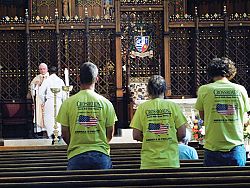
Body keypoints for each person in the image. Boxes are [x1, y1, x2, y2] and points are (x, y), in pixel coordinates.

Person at [56, 62, 117, 170]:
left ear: (79, 78)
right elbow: (110, 133)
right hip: (101, 155)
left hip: (76, 155)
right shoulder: (106, 103)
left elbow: (65, 134)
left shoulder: (68, 103)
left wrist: (76, 144)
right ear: (97, 79)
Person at [195, 57, 250, 167]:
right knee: (237, 183)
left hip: (212, 147)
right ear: (231, 72)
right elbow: (244, 118)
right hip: (235, 146)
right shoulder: (240, 89)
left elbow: (203, 117)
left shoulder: (204, 90)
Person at [130, 75, 187, 169]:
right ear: (164, 89)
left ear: (148, 90)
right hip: (170, 161)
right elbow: (182, 133)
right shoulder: (173, 106)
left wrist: (150, 138)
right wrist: (169, 139)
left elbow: (136, 135)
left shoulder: (142, 108)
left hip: (149, 162)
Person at [39, 66, 65, 139]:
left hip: (50, 102)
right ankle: (58, 135)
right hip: (59, 101)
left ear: (49, 72)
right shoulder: (60, 80)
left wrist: (44, 100)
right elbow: (64, 94)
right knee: (58, 118)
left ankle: (52, 135)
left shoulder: (47, 80)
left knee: (49, 118)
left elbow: (40, 92)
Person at [30, 63, 49, 137]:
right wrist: (36, 85)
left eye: (44, 69)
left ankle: (48, 131)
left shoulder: (50, 78)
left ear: (47, 69)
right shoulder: (36, 78)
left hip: (47, 99)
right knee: (39, 115)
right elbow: (32, 88)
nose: (42, 70)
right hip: (39, 100)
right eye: (41, 69)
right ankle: (41, 132)